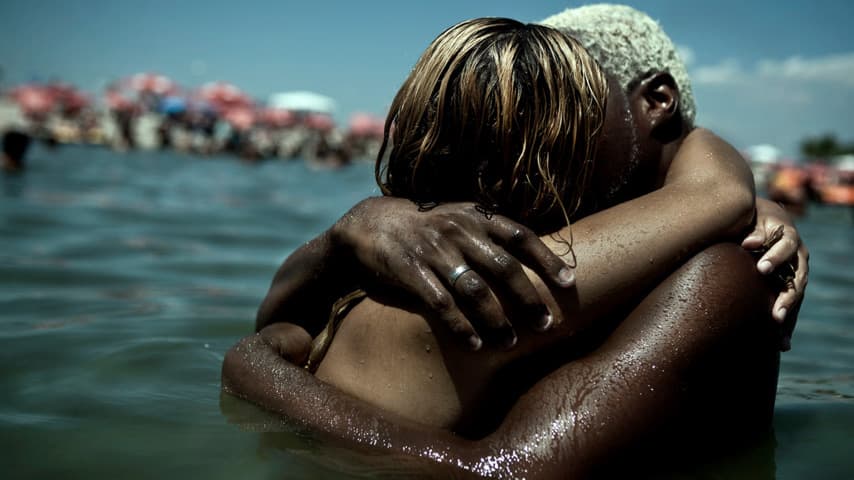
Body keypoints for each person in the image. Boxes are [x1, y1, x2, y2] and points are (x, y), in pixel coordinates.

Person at [223, 6, 808, 477]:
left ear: (653, 103)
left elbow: (508, 469)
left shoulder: (724, 270)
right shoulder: (446, 252)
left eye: (569, 92)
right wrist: (353, 229)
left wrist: (255, 369)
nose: (525, 109)